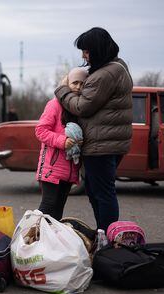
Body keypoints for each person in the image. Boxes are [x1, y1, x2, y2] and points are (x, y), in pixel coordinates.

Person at [54, 27, 133, 232]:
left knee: (103, 193)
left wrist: (62, 89)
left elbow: (82, 106)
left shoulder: (105, 74)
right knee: (96, 191)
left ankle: (107, 237)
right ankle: (103, 234)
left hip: (102, 143)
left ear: (97, 50)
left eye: (86, 51)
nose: (83, 55)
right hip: (107, 141)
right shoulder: (116, 67)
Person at [35, 67, 89, 220]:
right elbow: (40, 130)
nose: (78, 87)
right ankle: (32, 238)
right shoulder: (54, 104)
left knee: (58, 209)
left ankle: (52, 241)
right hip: (51, 168)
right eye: (75, 83)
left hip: (70, 169)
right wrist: (63, 141)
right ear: (67, 83)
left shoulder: (79, 108)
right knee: (47, 207)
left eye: (82, 84)